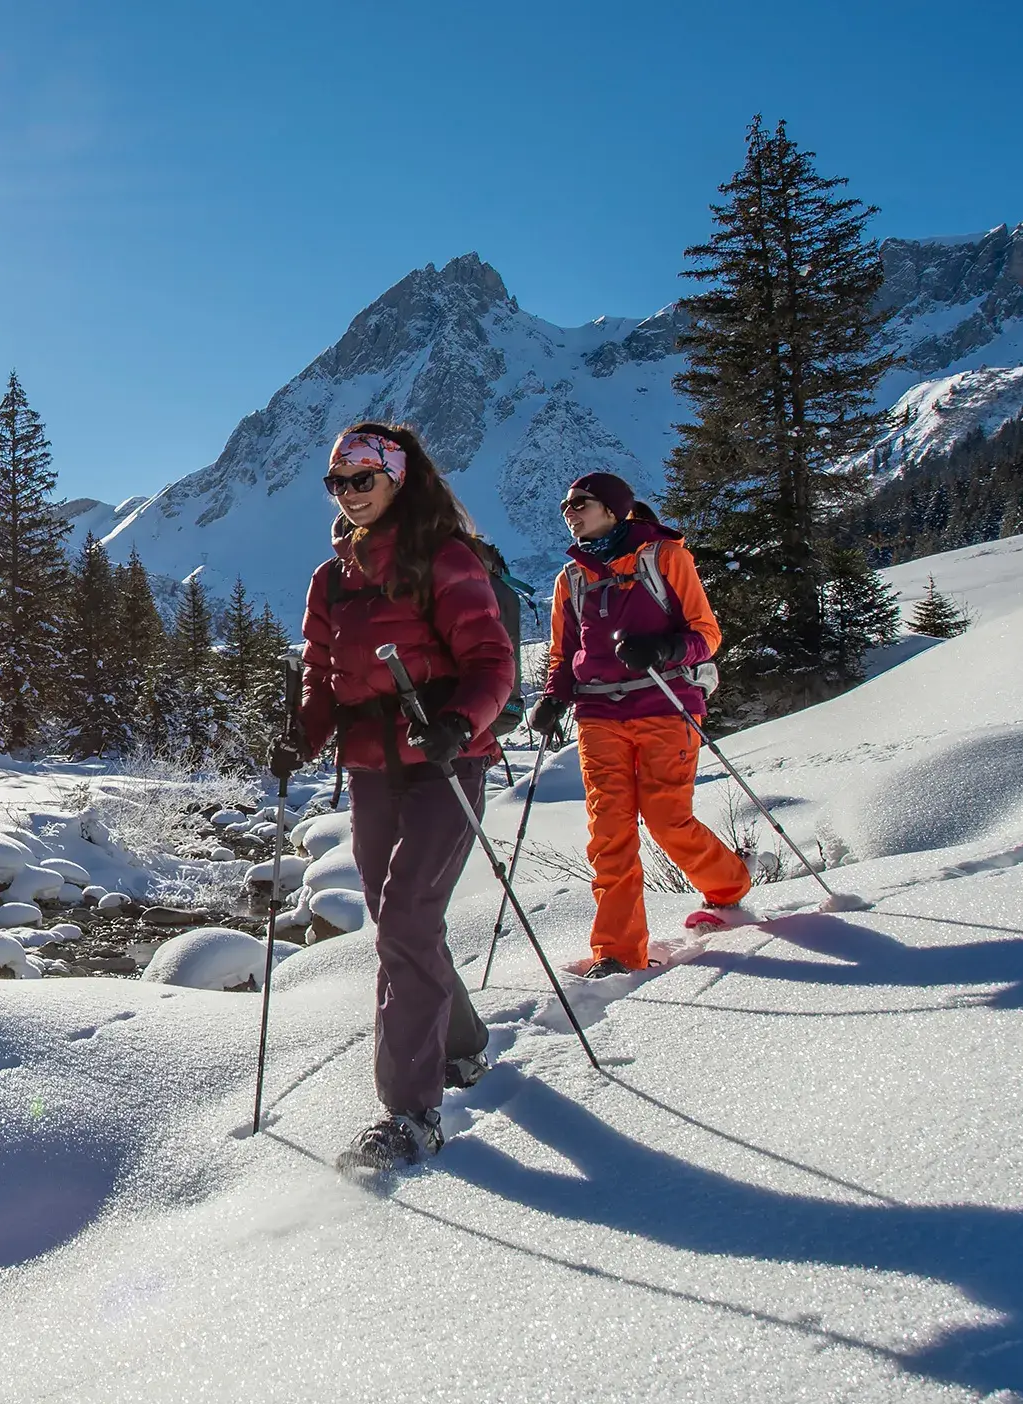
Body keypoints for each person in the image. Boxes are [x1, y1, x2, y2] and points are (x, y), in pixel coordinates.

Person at [272, 422, 515, 1165]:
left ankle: (410, 1113)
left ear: (398, 477)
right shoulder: (331, 576)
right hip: (374, 767)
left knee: (409, 917)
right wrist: (302, 736)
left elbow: (492, 662)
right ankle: (463, 1046)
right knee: (397, 922)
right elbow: (321, 675)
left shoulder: (444, 558)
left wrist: (457, 721)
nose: (347, 492)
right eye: (336, 481)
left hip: (446, 762)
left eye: (361, 478)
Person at [529, 471, 751, 978]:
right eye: (566, 507)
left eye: (580, 504)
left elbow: (706, 634)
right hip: (599, 714)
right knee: (609, 832)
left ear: (613, 508)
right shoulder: (573, 578)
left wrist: (664, 649)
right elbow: (565, 655)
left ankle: (729, 886)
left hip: (665, 703)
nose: (570, 513)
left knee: (667, 819)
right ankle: (618, 952)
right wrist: (551, 698)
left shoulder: (665, 557)